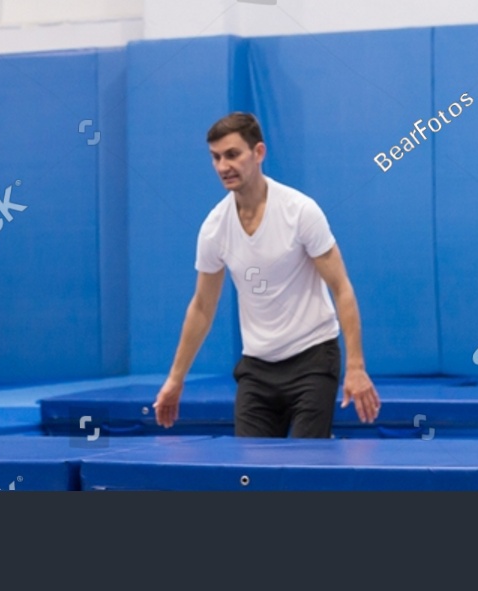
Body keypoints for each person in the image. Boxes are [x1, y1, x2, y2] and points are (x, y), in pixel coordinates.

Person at [153, 113, 381, 438]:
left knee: (305, 468)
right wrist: (175, 380)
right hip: (257, 370)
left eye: (232, 154)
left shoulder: (300, 211)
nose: (222, 166)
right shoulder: (214, 229)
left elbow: (341, 288)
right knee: (251, 477)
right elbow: (202, 307)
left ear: (258, 153)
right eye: (215, 158)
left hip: (313, 359)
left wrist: (356, 367)